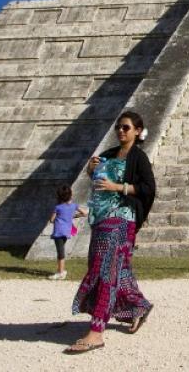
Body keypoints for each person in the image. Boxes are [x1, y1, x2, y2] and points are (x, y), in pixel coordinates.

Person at [66, 111, 156, 354]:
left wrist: (119, 187)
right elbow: (97, 184)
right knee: (118, 268)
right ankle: (140, 306)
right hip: (102, 218)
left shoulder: (139, 158)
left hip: (122, 219)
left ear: (137, 131)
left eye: (126, 127)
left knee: (105, 268)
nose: (121, 131)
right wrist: (89, 170)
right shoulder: (106, 155)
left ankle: (96, 331)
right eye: (118, 127)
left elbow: (148, 188)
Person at [49, 184, 87, 280]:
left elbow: (52, 220)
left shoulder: (58, 207)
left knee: (60, 252)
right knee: (61, 251)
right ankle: (60, 270)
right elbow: (84, 213)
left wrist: (58, 217)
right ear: (70, 195)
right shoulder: (73, 206)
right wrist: (74, 216)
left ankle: (61, 272)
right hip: (66, 232)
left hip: (58, 232)